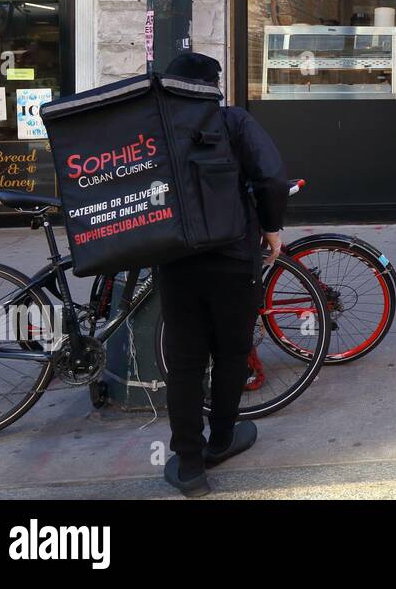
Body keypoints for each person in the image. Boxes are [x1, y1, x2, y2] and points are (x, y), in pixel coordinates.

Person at [159, 52, 290, 497]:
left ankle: (190, 465)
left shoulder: (154, 129)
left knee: (184, 362)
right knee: (233, 352)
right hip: (234, 257)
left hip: (176, 261)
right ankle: (221, 439)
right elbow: (271, 176)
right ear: (215, 85)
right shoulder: (232, 122)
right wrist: (271, 227)